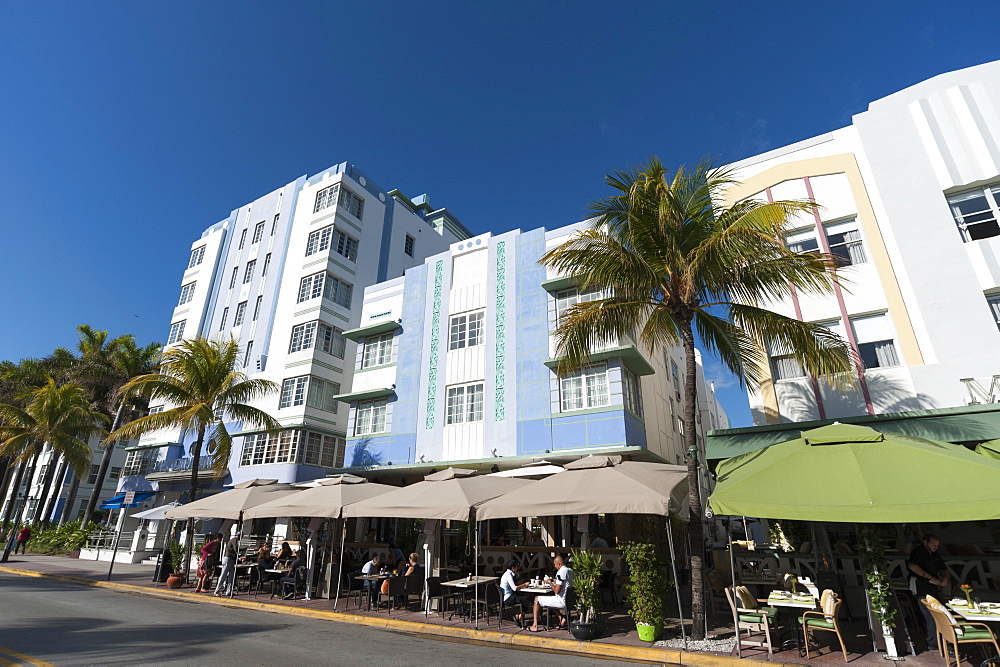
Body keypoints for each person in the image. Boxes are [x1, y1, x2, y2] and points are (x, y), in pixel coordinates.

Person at [908, 533, 951, 650]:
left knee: (939, 611)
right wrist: (930, 578)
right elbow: (913, 566)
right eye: (934, 545)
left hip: (933, 587)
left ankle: (942, 638)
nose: (935, 548)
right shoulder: (918, 552)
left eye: (937, 546)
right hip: (921, 585)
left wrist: (945, 579)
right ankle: (933, 642)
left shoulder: (935, 554)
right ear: (926, 542)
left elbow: (944, 569)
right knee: (929, 613)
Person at [527, 555, 573, 632]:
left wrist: (550, 583)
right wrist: (555, 581)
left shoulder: (560, 572)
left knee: (537, 599)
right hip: (570, 601)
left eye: (555, 565)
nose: (555, 567)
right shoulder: (570, 571)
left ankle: (534, 625)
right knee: (549, 597)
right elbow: (565, 583)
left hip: (561, 601)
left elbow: (556, 591)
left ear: (558, 564)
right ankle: (561, 618)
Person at [500, 562, 531, 627]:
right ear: (513, 568)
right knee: (527, 601)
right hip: (508, 598)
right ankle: (518, 616)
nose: (517, 569)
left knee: (525, 599)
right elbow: (514, 588)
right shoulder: (508, 575)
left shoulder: (508, 574)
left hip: (509, 596)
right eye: (517, 567)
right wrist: (524, 584)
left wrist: (519, 583)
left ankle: (518, 616)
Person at [213, 532, 242, 597]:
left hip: (231, 560)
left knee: (231, 576)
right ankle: (216, 591)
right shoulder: (234, 540)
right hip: (228, 559)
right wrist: (240, 552)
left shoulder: (234, 540)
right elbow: (235, 549)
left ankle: (229, 591)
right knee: (223, 575)